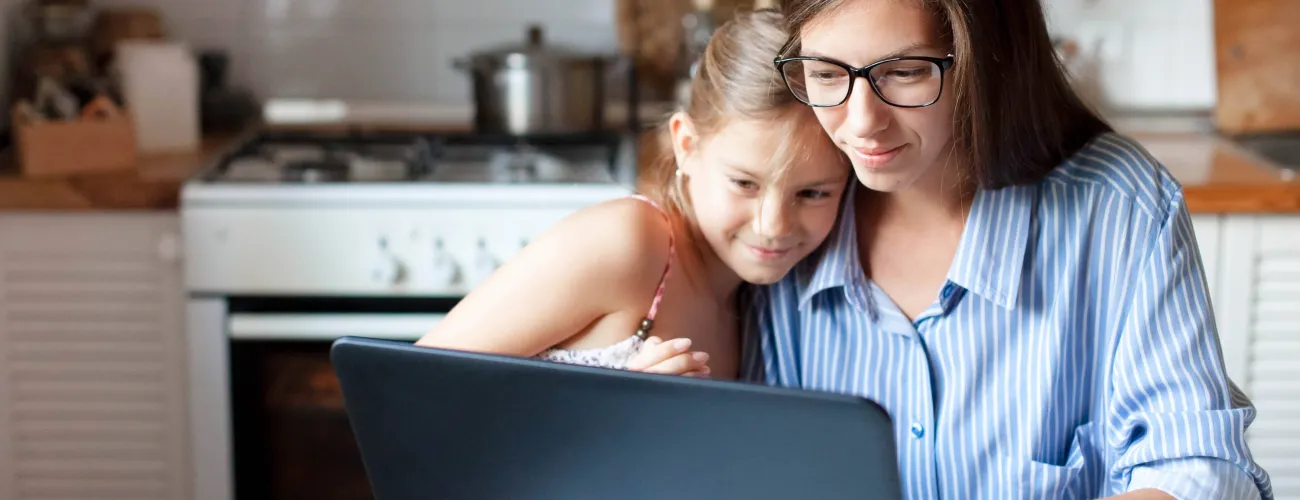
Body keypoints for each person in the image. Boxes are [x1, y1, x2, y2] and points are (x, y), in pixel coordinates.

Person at [742, 0, 1273, 499]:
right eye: (826, 74)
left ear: (986, 62)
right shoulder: (771, 216)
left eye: (905, 72)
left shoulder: (1117, 205)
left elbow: (1197, 464)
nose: (862, 123)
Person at [415, 10, 851, 381]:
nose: (773, 225)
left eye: (813, 193)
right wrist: (619, 407)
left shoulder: (758, 304)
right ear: (686, 145)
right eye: (744, 184)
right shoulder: (629, 242)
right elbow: (410, 388)